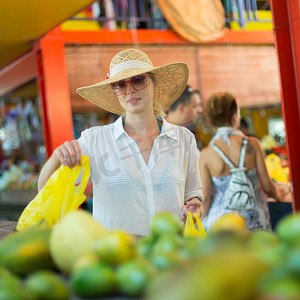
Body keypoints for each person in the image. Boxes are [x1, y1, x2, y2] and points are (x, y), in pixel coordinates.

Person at [38, 48, 203, 236]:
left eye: (138, 80)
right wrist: (57, 157)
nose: (130, 89)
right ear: (115, 91)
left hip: (169, 255)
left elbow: (194, 196)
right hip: (115, 258)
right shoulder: (94, 140)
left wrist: (194, 208)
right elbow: (45, 191)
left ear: (154, 84)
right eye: (120, 85)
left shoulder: (183, 139)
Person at [199, 91, 284, 231]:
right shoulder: (253, 145)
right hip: (254, 222)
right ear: (234, 116)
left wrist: (197, 224)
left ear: (210, 120)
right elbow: (268, 187)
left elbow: (205, 198)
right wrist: (281, 196)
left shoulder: (206, 154)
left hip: (222, 226)